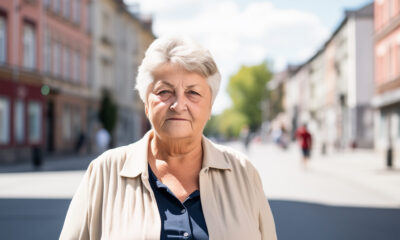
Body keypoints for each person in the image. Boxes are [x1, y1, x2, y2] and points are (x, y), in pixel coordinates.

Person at [60, 35, 277, 240]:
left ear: (210, 107)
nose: (178, 105)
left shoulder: (243, 174)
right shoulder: (105, 172)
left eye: (193, 93)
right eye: (164, 91)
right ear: (146, 104)